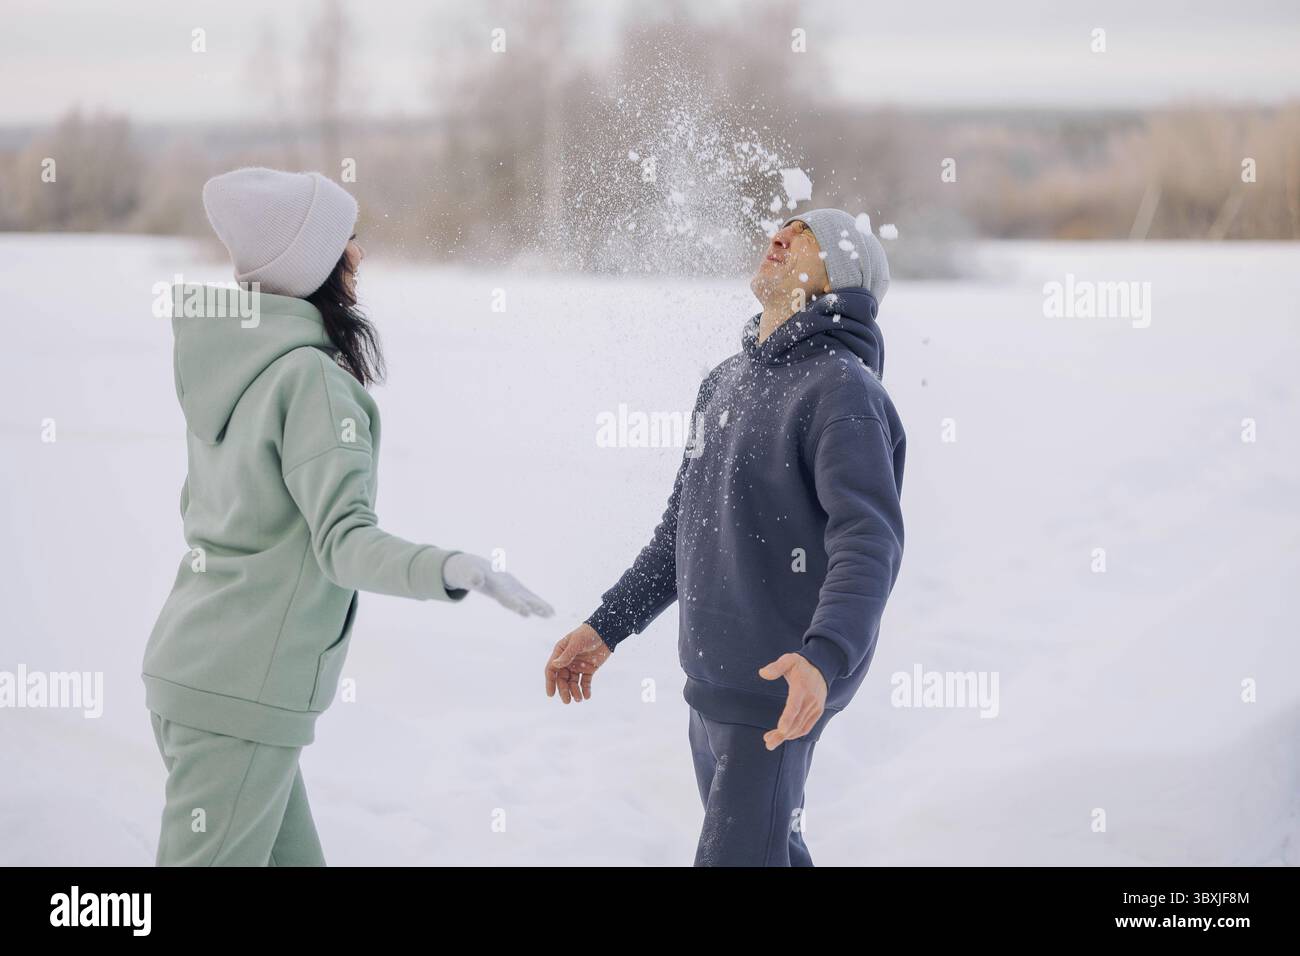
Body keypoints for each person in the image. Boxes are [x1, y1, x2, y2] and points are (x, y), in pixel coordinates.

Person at [143, 167, 552, 866]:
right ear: (313, 263)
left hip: (199, 670)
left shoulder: (231, 364)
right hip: (242, 693)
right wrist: (453, 569)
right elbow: (344, 543)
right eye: (346, 239)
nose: (359, 254)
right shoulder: (309, 382)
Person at [545, 209, 905, 866]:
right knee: (774, 850)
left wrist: (823, 658)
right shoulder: (725, 381)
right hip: (711, 685)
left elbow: (869, 542)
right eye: (787, 223)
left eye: (811, 235)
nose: (788, 233)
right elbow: (681, 532)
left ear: (842, 281)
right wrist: (607, 626)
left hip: (778, 689)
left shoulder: (842, 391)